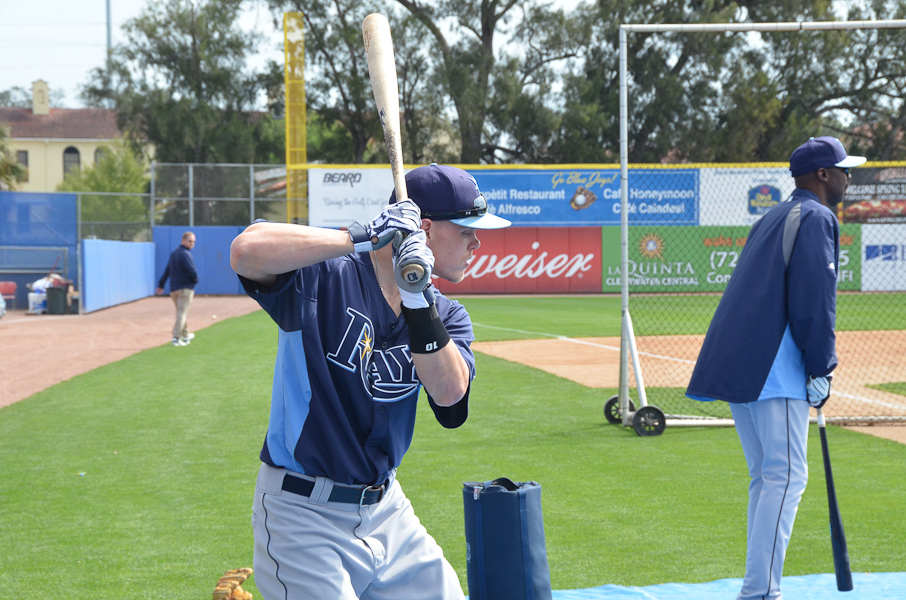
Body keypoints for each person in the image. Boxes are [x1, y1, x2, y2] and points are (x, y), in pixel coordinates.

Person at [229, 163, 510, 600]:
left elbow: (451, 400)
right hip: (303, 516)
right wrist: (360, 235)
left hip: (387, 512)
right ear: (428, 229)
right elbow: (246, 251)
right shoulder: (324, 277)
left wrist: (416, 295)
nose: (477, 241)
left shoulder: (447, 315)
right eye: (467, 230)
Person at [686, 136, 866, 600]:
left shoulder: (773, 214)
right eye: (844, 169)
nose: (850, 177)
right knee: (786, 477)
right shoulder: (817, 216)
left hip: (742, 362)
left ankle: (759, 587)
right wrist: (821, 366)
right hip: (775, 366)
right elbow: (815, 302)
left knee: (767, 476)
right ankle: (761, 591)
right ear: (823, 175)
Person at [156, 231, 198, 346]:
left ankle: (185, 334)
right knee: (181, 313)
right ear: (183, 240)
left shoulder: (174, 253)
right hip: (185, 289)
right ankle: (176, 337)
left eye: (193, 241)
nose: (192, 243)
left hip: (174, 289)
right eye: (190, 241)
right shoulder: (185, 254)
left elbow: (167, 270)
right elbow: (191, 270)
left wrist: (161, 284)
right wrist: (195, 280)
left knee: (181, 312)